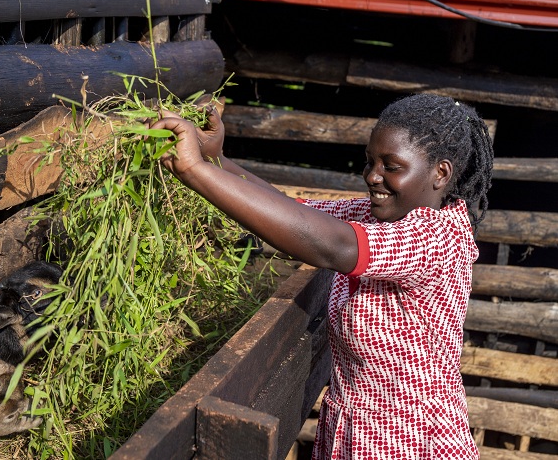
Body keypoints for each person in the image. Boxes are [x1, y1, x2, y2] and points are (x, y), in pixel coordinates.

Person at [150, 93, 494, 460]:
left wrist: (193, 170)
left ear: (440, 173)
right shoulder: (377, 214)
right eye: (369, 162)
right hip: (355, 429)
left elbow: (331, 246)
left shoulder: (437, 236)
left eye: (391, 166)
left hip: (409, 439)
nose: (373, 176)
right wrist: (216, 160)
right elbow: (291, 212)